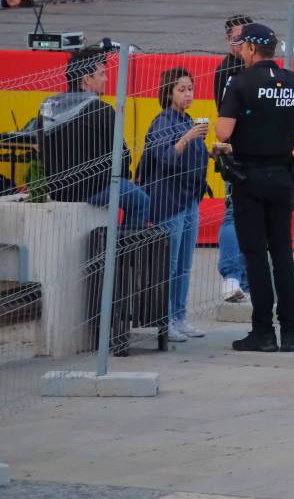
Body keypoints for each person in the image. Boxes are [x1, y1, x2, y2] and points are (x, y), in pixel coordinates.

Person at [216, 22, 294, 353]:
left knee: (256, 255)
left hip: (250, 178)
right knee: (283, 254)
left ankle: (262, 331)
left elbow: (223, 132)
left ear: (249, 49)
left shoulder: (240, 83)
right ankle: (291, 332)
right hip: (283, 177)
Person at [136, 67, 210, 343]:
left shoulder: (186, 119)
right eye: (182, 89)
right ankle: (165, 319)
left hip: (189, 199)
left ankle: (179, 315)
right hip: (169, 202)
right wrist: (188, 138)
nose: (188, 94)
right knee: (169, 263)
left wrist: (212, 150)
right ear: (168, 93)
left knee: (185, 264)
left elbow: (194, 159)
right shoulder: (162, 122)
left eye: (190, 88)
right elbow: (166, 158)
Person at [38, 45, 149, 227]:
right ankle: (125, 252)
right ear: (86, 80)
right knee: (142, 202)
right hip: (94, 189)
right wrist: (123, 176)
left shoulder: (48, 108)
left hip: (57, 189)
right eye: (102, 74)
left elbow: (43, 153)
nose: (106, 79)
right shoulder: (102, 110)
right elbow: (122, 157)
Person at [214, 15, 250, 302]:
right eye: (238, 38)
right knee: (232, 213)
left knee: (252, 218)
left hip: (254, 150)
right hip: (235, 152)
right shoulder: (227, 71)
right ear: (229, 40)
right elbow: (225, 120)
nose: (244, 43)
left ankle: (247, 282)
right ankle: (231, 275)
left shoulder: (252, 67)